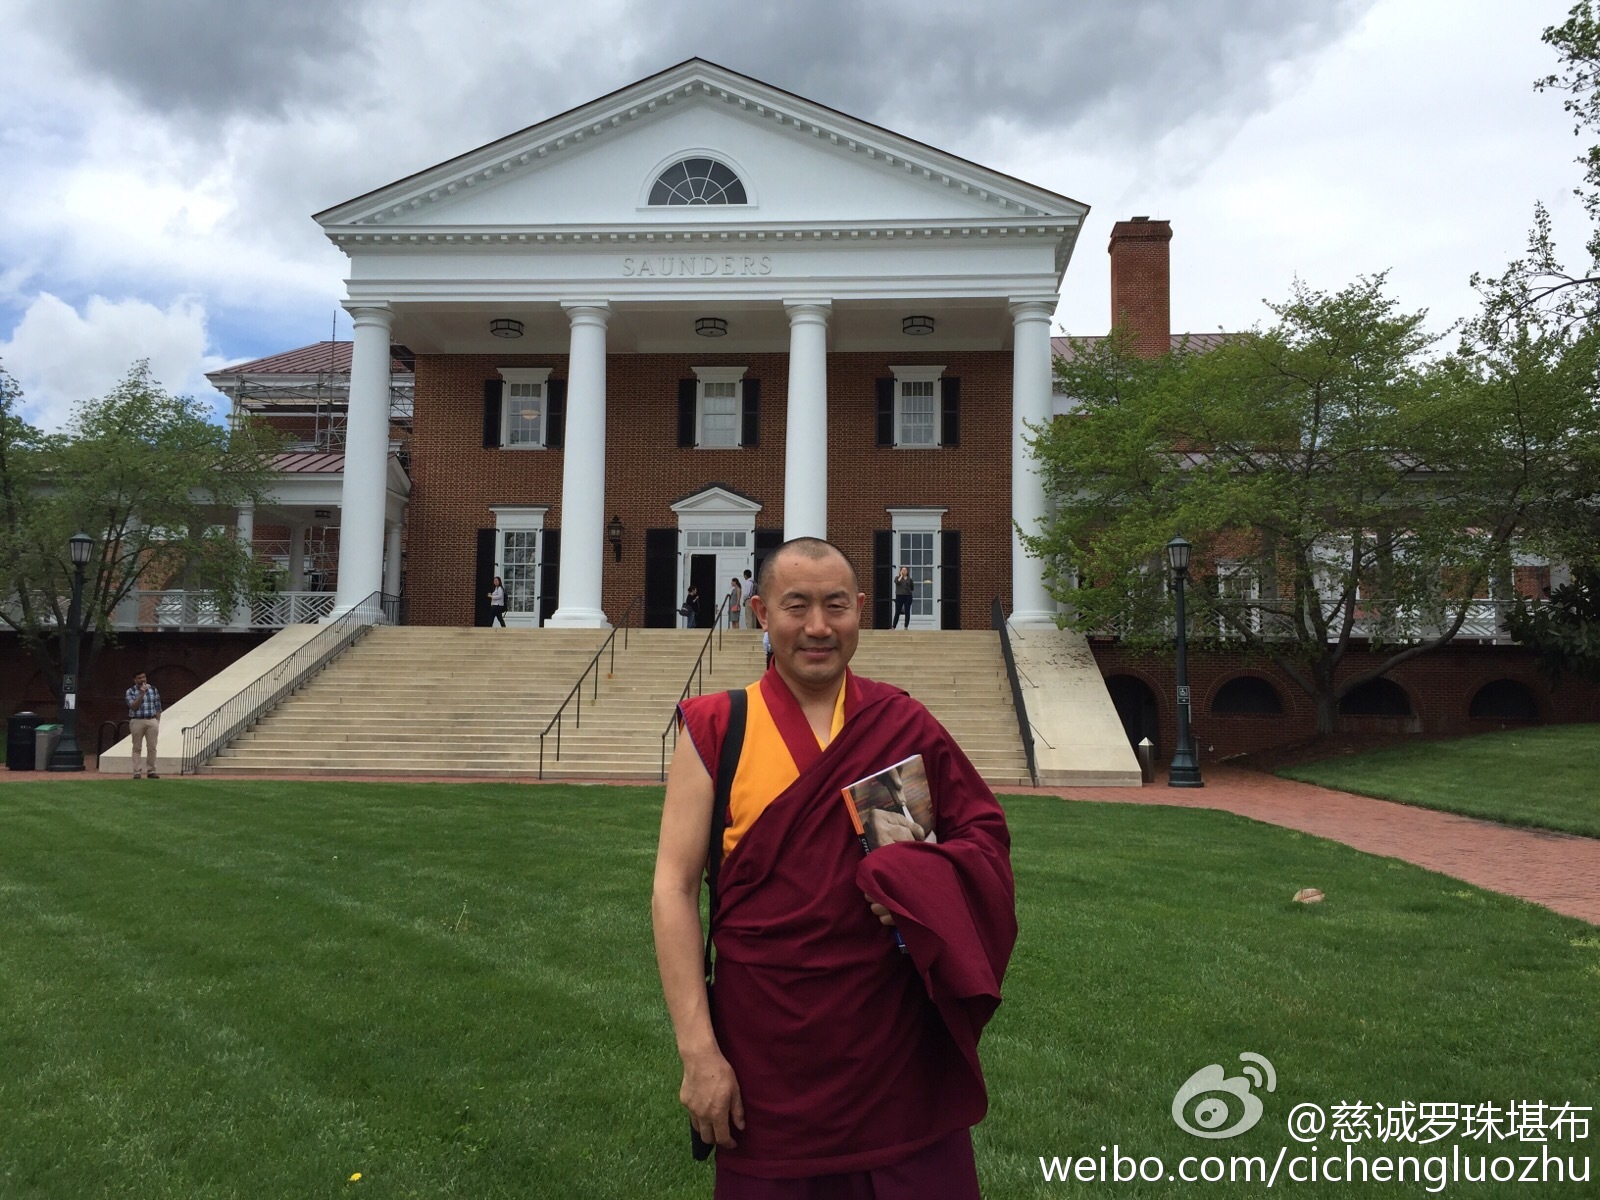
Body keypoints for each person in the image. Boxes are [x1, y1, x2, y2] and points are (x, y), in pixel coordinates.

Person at [652, 538, 1015, 1198]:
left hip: (898, 1054)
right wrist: (699, 1052)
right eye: (797, 606)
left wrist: (921, 885)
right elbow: (673, 890)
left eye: (836, 606)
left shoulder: (897, 723)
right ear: (762, 613)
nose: (818, 627)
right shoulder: (717, 728)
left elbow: (984, 842)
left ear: (860, 610)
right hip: (767, 1059)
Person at [125, 671, 163, 779]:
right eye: (139, 678)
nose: (142, 679)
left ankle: (151, 770)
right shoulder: (130, 691)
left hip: (151, 720)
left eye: (144, 677)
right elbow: (133, 706)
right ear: (135, 679)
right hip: (137, 720)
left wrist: (157, 721)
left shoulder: (153, 689)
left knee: (152, 747)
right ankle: (137, 771)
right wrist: (141, 693)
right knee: (137, 747)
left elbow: (158, 706)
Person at [892, 565, 915, 629]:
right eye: (903, 570)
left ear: (907, 571)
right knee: (897, 611)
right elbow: (897, 582)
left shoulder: (909, 579)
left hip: (908, 596)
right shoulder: (897, 578)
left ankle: (906, 626)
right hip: (899, 596)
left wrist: (908, 590)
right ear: (901, 571)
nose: (904, 571)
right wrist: (901, 576)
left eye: (905, 570)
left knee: (907, 611)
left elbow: (912, 588)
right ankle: (893, 626)